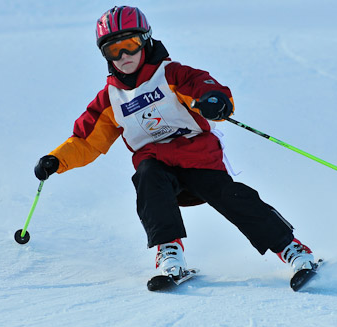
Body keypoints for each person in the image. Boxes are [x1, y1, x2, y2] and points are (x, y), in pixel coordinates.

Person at [34, 6, 316, 283]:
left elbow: (204, 86)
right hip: (157, 163)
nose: (123, 56)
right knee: (147, 176)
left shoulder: (171, 75)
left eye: (130, 45)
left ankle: (290, 248)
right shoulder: (111, 100)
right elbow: (85, 140)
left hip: (198, 157)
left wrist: (214, 100)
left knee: (231, 197)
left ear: (145, 40)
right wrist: (57, 160)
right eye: (113, 50)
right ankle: (169, 252)